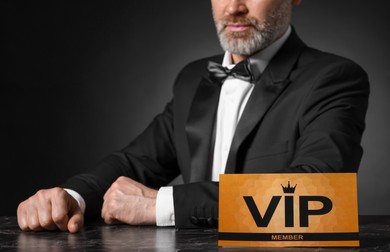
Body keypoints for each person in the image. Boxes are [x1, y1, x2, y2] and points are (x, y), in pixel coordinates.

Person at [17, 0, 369, 233]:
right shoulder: (194, 78)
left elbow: (320, 195)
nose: (234, 8)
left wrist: (162, 205)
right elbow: (136, 161)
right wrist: (70, 196)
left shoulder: (333, 77)